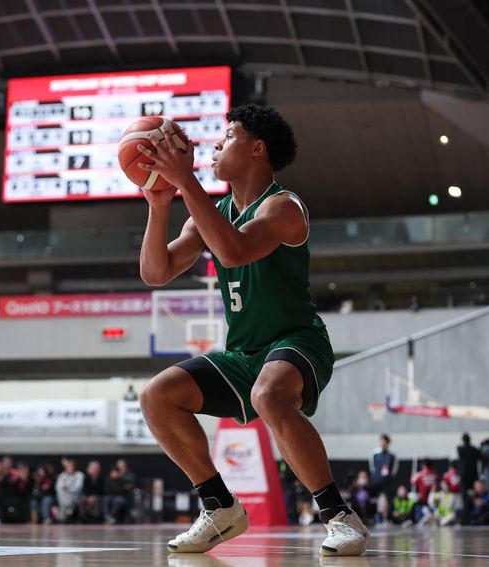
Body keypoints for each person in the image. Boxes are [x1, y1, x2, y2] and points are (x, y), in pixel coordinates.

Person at [136, 103, 369, 556]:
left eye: (228, 136)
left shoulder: (285, 207)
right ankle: (219, 506)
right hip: (244, 353)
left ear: (258, 149)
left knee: (269, 395)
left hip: (297, 340)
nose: (216, 144)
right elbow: (155, 271)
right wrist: (159, 205)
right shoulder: (210, 213)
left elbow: (235, 251)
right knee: (156, 396)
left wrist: (186, 181)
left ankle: (339, 516)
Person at [369, 434, 398, 523]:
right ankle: (376, 518)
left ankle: (386, 518)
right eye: (382, 441)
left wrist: (388, 478)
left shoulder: (392, 455)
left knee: (387, 501)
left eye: (385, 442)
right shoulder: (374, 454)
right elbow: (372, 467)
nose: (383, 443)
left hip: (387, 482)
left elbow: (394, 469)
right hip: (376, 481)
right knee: (376, 500)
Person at [55, 457, 84, 523]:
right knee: (64, 499)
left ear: (75, 466)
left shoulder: (79, 475)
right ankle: (63, 518)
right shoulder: (62, 475)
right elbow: (58, 488)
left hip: (75, 497)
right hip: (63, 498)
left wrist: (68, 488)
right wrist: (66, 489)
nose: (69, 468)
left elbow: (78, 487)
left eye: (71, 466)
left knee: (68, 501)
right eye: (68, 466)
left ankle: (66, 517)